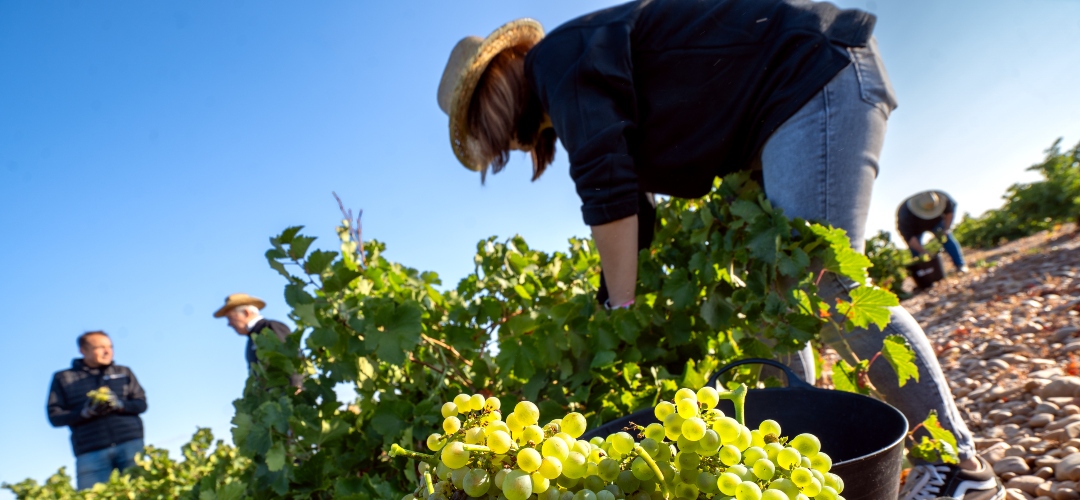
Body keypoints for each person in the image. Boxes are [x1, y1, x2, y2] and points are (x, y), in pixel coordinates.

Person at [436, 2, 1002, 498]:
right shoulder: (571, 75)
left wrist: (623, 313)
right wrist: (608, 302)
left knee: (826, 288)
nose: (501, 145)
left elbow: (608, 190)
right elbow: (633, 203)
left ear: (495, 85)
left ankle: (958, 466)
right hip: (778, 116)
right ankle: (795, 468)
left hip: (811, 77)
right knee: (768, 311)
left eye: (479, 125)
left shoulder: (557, 60)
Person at [47, 331, 148, 490]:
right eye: (100, 347)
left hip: (130, 444)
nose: (107, 351)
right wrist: (84, 413)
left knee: (143, 491)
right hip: (90, 452)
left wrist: (120, 405)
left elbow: (141, 404)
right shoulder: (63, 378)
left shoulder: (123, 372)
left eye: (110, 346)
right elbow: (55, 416)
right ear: (83, 350)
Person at [214, 293, 302, 388]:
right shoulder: (251, 338)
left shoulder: (271, 327)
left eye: (230, 318)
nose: (229, 324)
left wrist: (296, 386)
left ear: (246, 313)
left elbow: (293, 358)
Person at [898, 190, 968, 273]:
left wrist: (946, 229)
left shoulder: (944, 199)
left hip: (936, 222)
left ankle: (960, 265)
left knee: (947, 239)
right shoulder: (904, 213)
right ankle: (925, 273)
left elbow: (950, 213)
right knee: (916, 252)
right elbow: (910, 238)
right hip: (915, 229)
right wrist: (923, 252)